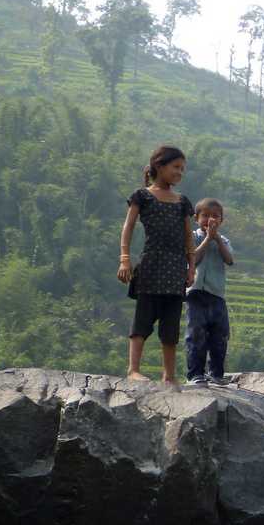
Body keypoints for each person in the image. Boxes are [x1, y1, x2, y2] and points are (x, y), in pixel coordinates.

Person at [117, 145, 195, 386]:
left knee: (171, 325)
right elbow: (128, 227)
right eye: (175, 167)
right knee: (143, 318)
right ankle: (133, 370)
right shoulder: (142, 196)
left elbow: (188, 237)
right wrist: (125, 258)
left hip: (175, 268)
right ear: (159, 166)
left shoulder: (182, 202)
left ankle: (169, 376)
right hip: (151, 265)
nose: (179, 172)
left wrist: (191, 267)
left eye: (182, 169)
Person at [185, 198, 234, 385]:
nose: (210, 220)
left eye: (215, 216)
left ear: (221, 220)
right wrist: (207, 239)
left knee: (219, 334)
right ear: (196, 218)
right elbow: (193, 259)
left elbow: (229, 260)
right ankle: (195, 374)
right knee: (196, 333)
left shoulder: (224, 240)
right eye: (205, 215)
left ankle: (216, 374)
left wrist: (217, 239)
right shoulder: (193, 237)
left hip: (217, 294)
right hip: (195, 292)